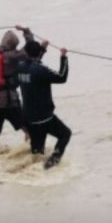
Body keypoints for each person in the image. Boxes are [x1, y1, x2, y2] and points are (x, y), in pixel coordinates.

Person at [17, 40, 72, 169]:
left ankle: (35, 172)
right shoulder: (41, 70)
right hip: (45, 118)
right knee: (65, 134)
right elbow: (61, 77)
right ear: (38, 53)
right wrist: (63, 57)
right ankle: (53, 161)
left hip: (29, 119)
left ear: (25, 52)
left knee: (37, 154)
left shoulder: (19, 67)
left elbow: (33, 63)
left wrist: (42, 49)